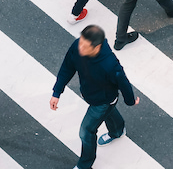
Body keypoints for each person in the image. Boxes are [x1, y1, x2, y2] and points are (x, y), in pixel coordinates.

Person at [51, 25, 139, 169]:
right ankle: (117, 131)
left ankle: (85, 165)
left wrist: (130, 100)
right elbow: (67, 67)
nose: (80, 48)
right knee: (108, 112)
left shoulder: (110, 64)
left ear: (97, 47)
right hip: (91, 95)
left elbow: (123, 82)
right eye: (81, 43)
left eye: (85, 46)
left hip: (103, 101)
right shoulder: (78, 45)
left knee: (86, 131)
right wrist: (57, 92)